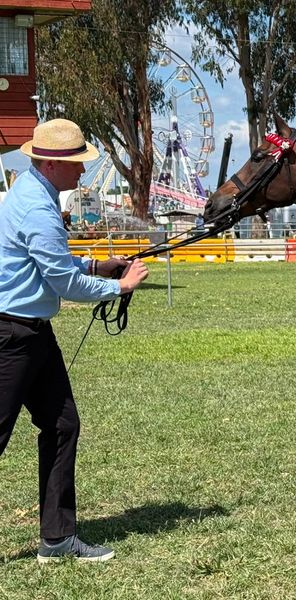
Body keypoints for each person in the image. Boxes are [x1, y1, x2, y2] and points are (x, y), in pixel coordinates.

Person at [0, 118, 149, 563]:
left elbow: (52, 261)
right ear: (50, 163)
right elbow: (62, 282)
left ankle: (58, 539)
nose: (84, 171)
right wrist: (118, 289)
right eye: (77, 163)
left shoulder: (32, 193)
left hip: (32, 333)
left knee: (63, 425)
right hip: (12, 336)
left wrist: (99, 266)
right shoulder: (37, 208)